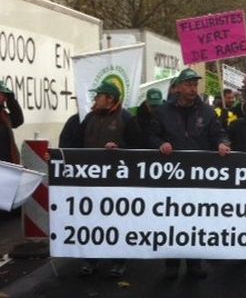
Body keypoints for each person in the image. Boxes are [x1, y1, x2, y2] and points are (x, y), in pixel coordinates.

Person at [149, 68, 231, 279]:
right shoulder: (163, 111)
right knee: (172, 219)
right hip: (172, 176)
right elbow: (150, 135)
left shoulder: (207, 111)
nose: (193, 89)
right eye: (188, 84)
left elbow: (219, 133)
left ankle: (194, 263)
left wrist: (223, 143)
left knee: (196, 220)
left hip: (198, 177)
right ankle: (172, 264)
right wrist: (160, 143)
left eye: (195, 85)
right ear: (177, 87)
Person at [75, 80, 142, 277]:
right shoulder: (89, 118)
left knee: (117, 222)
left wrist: (120, 150)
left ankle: (118, 260)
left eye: (98, 96)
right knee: (92, 221)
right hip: (92, 180)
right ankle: (90, 258)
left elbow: (139, 149)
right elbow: (75, 144)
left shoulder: (127, 119)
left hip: (117, 183)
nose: (95, 100)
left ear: (110, 98)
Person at [0, 81, 24, 163]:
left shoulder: (4, 115)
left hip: (7, 164)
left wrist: (11, 100)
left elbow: (18, 120)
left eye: (3, 94)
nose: (2, 97)